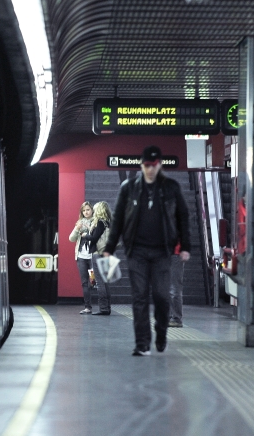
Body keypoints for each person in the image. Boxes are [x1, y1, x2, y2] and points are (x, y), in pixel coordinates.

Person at [102, 145, 192, 356]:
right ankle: (142, 343)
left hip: (162, 252)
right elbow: (118, 220)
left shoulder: (171, 187)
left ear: (159, 165)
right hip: (137, 252)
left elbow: (183, 217)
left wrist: (185, 246)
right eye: (146, 165)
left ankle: (161, 332)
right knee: (140, 297)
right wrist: (109, 247)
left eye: (153, 165)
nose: (150, 169)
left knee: (161, 296)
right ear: (141, 166)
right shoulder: (129, 188)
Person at [69, 202, 97, 314]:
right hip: (81, 257)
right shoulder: (79, 223)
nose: (86, 212)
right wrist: (77, 229)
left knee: (93, 281)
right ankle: (88, 307)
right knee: (84, 282)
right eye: (84, 210)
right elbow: (71, 239)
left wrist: (89, 227)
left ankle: (103, 305)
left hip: (92, 257)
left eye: (88, 210)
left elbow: (97, 236)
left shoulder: (96, 222)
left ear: (92, 211)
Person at [89, 201, 113, 315]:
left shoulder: (99, 222)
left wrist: (85, 234)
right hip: (107, 253)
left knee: (99, 282)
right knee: (105, 281)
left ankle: (103, 308)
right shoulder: (109, 222)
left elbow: (94, 238)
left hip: (98, 253)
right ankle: (107, 307)